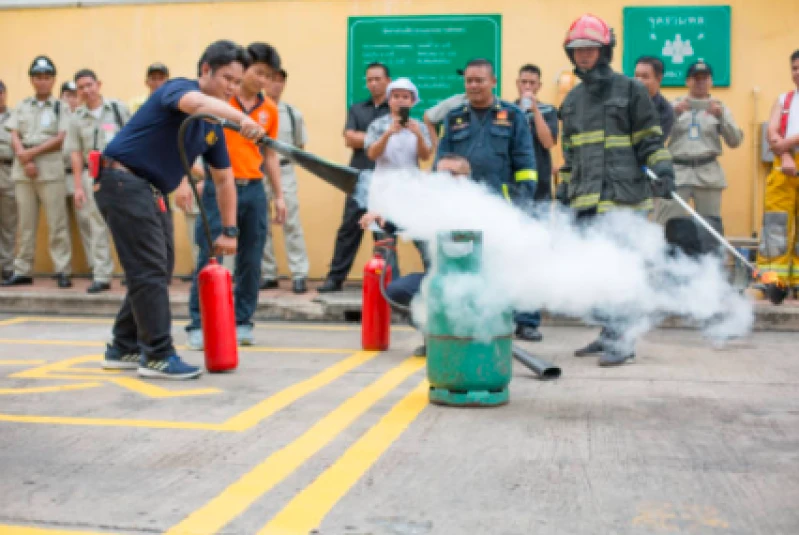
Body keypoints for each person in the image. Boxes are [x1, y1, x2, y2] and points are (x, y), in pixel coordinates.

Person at [97, 40, 266, 380]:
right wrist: (241, 117)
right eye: (226, 79)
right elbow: (199, 102)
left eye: (237, 83)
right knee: (149, 268)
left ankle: (124, 346)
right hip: (123, 181)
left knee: (158, 268)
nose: (231, 89)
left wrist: (229, 230)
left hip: (150, 190)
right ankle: (157, 355)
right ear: (205, 71)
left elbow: (224, 180)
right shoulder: (179, 89)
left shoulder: (213, 126)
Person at [557, 14, 675, 366]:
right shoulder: (573, 101)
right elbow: (570, 155)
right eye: (577, 49)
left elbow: (649, 139)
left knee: (622, 272)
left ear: (605, 49)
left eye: (591, 48)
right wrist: (564, 190)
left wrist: (664, 168)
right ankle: (608, 332)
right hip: (586, 198)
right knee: (594, 274)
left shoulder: (631, 90)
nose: (584, 55)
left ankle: (623, 342)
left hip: (624, 199)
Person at [183, 42, 286, 350]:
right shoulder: (218, 102)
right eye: (258, 73)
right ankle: (198, 324)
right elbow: (193, 143)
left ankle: (242, 321)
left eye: (269, 76)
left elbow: (269, 156)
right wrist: (190, 179)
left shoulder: (269, 110)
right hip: (218, 188)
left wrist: (278, 196)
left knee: (251, 259)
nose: (263, 81)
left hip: (254, 189)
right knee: (210, 254)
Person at [435, 58, 541, 342]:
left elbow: (526, 161)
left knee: (514, 262)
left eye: (479, 80)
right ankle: (462, 321)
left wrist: (522, 203)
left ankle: (526, 320)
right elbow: (442, 160)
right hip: (463, 206)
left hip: (502, 203)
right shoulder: (454, 117)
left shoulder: (513, 115)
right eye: (469, 81)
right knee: (464, 265)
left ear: (493, 82)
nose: (473, 86)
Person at [359, 153, 472, 357]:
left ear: (465, 177)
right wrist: (381, 218)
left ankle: (464, 339)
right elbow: (407, 221)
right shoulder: (431, 205)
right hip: (436, 280)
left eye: (451, 174)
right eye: (439, 173)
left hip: (471, 285)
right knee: (397, 290)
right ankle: (434, 337)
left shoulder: (478, 207)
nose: (443, 179)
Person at [653, 60, 743, 245]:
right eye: (696, 78)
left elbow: (735, 141)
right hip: (678, 172)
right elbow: (655, 137)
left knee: (709, 229)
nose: (700, 82)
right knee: (663, 226)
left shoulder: (720, 108)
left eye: (704, 78)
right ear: (687, 81)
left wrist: (721, 117)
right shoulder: (674, 106)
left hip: (708, 172)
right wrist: (673, 114)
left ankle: (708, 269)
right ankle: (660, 267)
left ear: (711, 82)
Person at [318, 62, 390, 293]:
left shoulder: (396, 109)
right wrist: (381, 138)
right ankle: (335, 278)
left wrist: (366, 137)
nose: (373, 83)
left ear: (388, 81)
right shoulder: (357, 108)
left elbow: (394, 142)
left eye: (378, 79)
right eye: (369, 79)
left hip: (386, 176)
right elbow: (349, 139)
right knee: (349, 228)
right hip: (359, 176)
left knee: (383, 230)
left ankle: (384, 280)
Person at [2, 56, 73, 289]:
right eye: (38, 77)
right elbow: (13, 133)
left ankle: (62, 269)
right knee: (26, 223)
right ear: (32, 80)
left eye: (46, 77)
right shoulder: (22, 105)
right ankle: (23, 269)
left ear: (53, 80)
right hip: (23, 171)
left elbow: (61, 137)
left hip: (50, 169)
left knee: (57, 223)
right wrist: (23, 155)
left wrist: (30, 154)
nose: (42, 82)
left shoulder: (60, 106)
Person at [64, 69, 130, 293]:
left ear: (98, 84)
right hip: (92, 176)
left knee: (126, 225)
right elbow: (75, 153)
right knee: (96, 226)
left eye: (89, 85)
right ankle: (102, 275)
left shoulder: (118, 109)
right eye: (81, 87)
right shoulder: (75, 118)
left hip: (120, 174)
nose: (86, 90)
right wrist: (77, 187)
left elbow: (133, 139)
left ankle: (132, 273)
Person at [364, 77, 433, 275]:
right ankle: (390, 295)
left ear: (412, 101)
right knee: (386, 248)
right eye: (396, 96)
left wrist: (418, 134)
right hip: (383, 192)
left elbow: (425, 156)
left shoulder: (418, 125)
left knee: (424, 241)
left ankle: (431, 288)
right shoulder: (377, 125)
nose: (401, 100)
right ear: (389, 100)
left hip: (412, 191)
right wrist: (387, 134)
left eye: (405, 97)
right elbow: (371, 154)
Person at [260, 67, 310, 294]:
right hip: (258, 172)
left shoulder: (292, 113)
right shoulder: (255, 109)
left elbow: (300, 146)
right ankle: (268, 273)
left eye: (281, 81)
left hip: (284, 170)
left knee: (291, 221)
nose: (276, 85)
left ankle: (299, 273)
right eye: (272, 79)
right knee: (261, 224)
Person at [757, 50, 799, 294]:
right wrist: (784, 153)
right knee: (775, 227)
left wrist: (789, 140)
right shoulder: (783, 100)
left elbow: (782, 138)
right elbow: (772, 132)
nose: (797, 72)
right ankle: (773, 283)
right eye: (794, 67)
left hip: (788, 157)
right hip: (783, 168)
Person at [515, 64, 558, 202]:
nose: (527, 87)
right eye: (524, 82)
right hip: (514, 179)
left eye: (532, 83)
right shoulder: (508, 110)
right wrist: (521, 110)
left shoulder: (548, 110)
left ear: (539, 86)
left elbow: (548, 143)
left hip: (541, 180)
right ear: (517, 84)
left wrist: (535, 111)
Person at [634, 56, 674, 140]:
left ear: (659, 79)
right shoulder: (623, 101)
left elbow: (654, 143)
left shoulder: (665, 111)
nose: (638, 80)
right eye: (636, 76)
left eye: (645, 77)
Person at [0, 81, 15, 282]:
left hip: (7, 170)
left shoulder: (15, 116)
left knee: (9, 224)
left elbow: (17, 144)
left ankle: (7, 266)